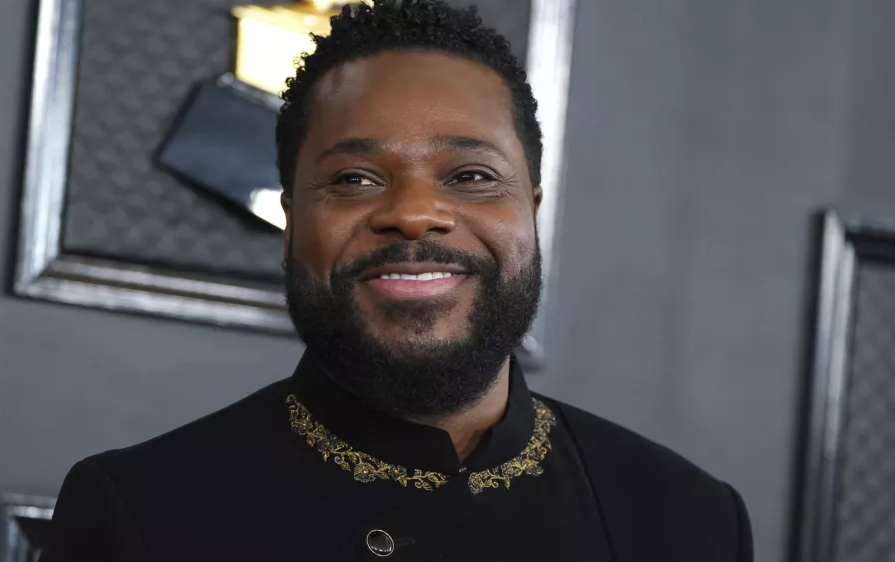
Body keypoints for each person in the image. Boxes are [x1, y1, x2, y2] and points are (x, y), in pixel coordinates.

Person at [41, 1, 753, 560]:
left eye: (471, 177)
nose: (414, 214)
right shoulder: (142, 511)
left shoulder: (689, 516)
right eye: (354, 178)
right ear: (293, 220)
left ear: (530, 211)